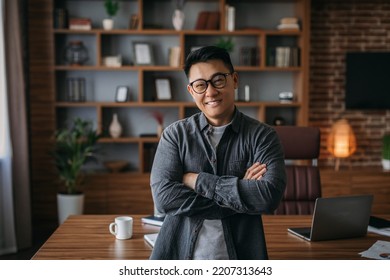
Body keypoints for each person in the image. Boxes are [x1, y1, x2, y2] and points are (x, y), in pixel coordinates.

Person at [150, 46, 286, 260]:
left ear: (234, 80)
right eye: (200, 85)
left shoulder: (263, 136)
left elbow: (268, 197)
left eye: (218, 80)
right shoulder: (175, 135)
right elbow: (165, 199)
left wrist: (195, 180)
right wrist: (239, 193)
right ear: (191, 91)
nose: (210, 92)